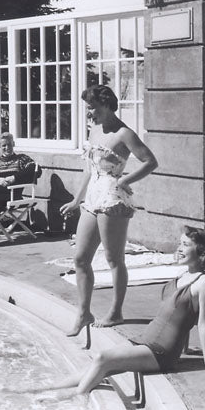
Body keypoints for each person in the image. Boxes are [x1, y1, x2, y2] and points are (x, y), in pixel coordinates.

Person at [41, 227, 205, 396]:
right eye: (180, 243)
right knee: (94, 366)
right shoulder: (184, 274)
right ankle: (41, 390)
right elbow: (181, 315)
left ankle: (76, 400)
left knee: (102, 359)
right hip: (145, 340)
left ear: (202, 252)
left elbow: (203, 324)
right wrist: (185, 348)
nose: (179, 248)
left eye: (185, 245)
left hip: (161, 352)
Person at [60, 85, 158, 335]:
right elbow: (89, 169)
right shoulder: (94, 130)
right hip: (92, 196)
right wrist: (76, 200)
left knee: (114, 259)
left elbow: (150, 161)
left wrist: (125, 180)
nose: (90, 112)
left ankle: (116, 312)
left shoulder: (124, 133)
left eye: (93, 107)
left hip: (112, 197)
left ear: (106, 105)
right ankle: (84, 313)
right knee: (80, 258)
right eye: (88, 107)